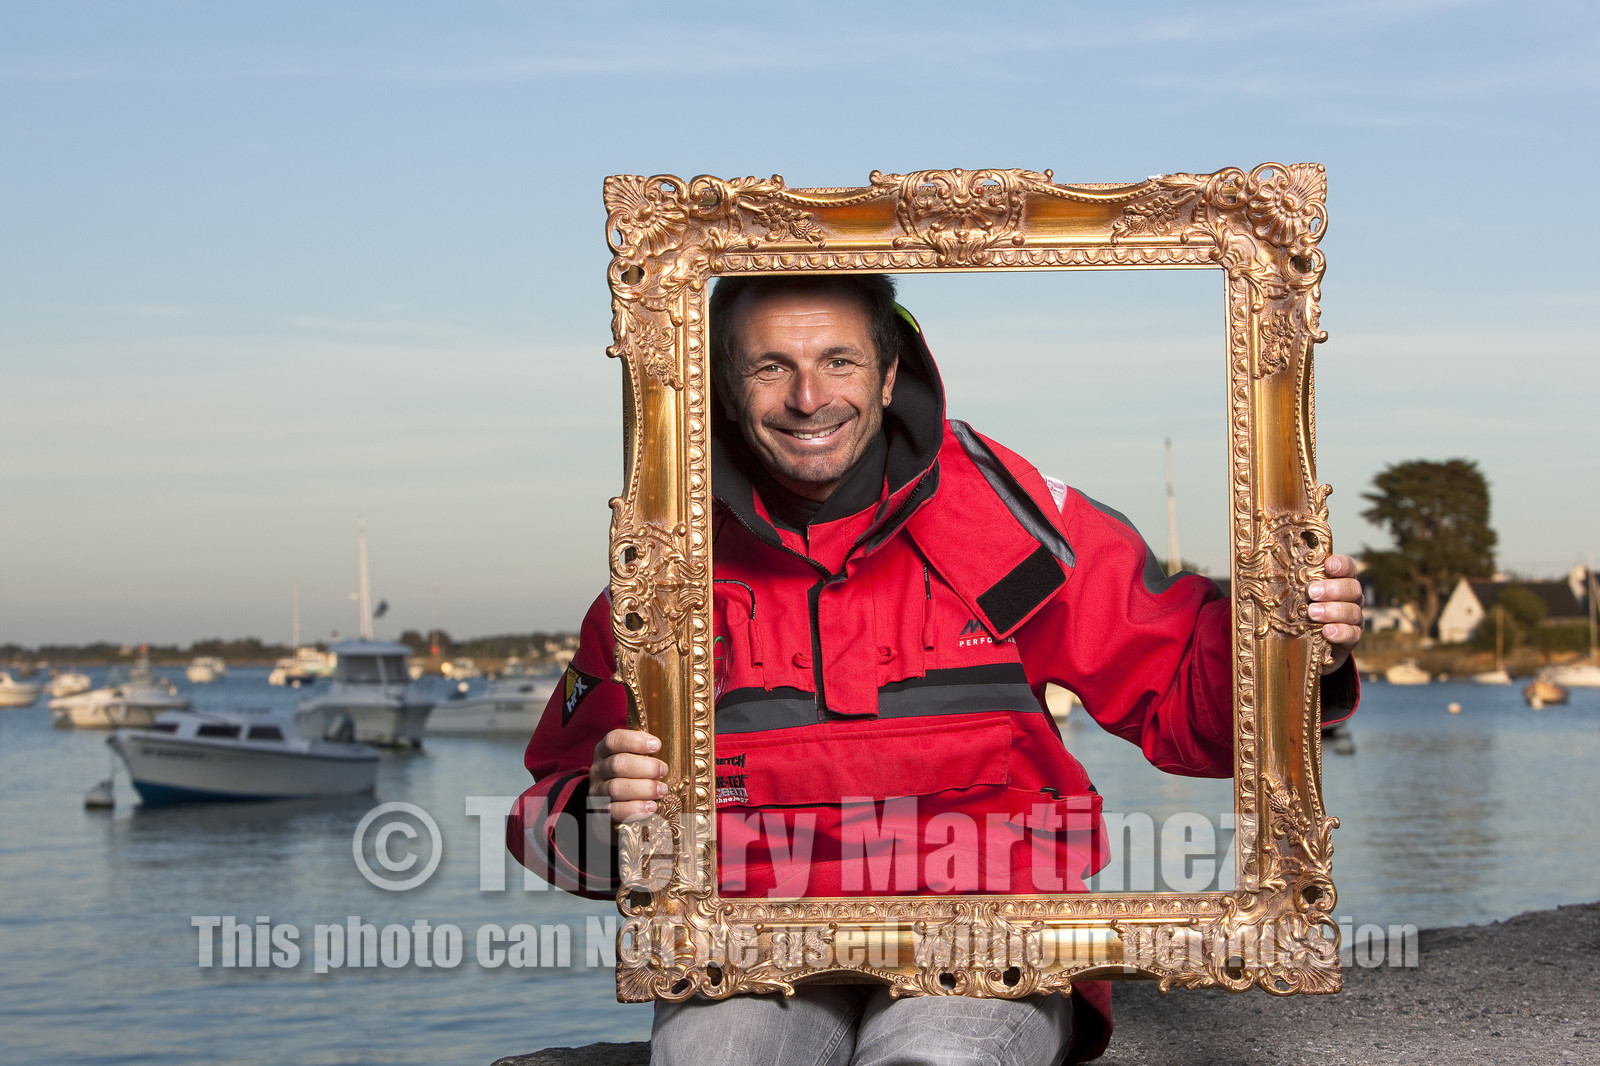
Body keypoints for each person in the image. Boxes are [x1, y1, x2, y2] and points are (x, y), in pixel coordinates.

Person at [509, 274, 1363, 1066]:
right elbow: (548, 803)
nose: (809, 399)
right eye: (772, 366)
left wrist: (1296, 649)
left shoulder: (998, 513)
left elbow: (1186, 702)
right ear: (724, 388)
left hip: (992, 929)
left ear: (888, 374)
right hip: (751, 944)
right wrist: (606, 815)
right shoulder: (670, 562)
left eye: (838, 360)